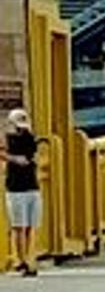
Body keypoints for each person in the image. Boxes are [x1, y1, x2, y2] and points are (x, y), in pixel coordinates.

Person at [5, 109, 41, 276]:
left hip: (31, 185)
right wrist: (13, 159)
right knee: (19, 226)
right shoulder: (6, 139)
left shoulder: (29, 138)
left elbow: (33, 155)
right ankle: (22, 260)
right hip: (15, 187)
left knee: (29, 226)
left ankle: (27, 257)